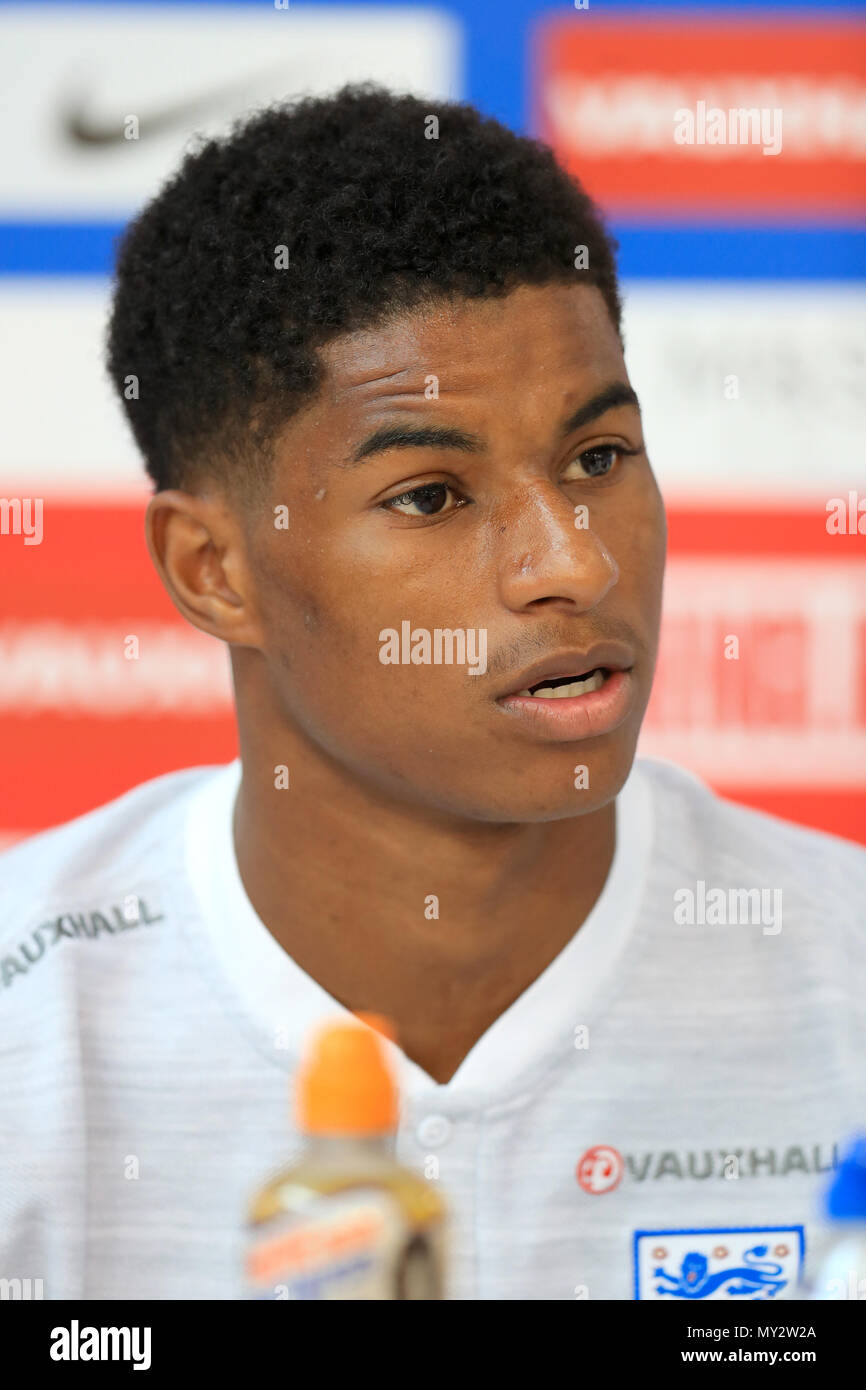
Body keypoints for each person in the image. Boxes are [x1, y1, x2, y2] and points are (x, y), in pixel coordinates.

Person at [1, 85, 863, 1301]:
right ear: (215, 571)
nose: (575, 560)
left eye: (597, 459)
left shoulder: (844, 974)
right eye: (429, 496)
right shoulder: (27, 1027)